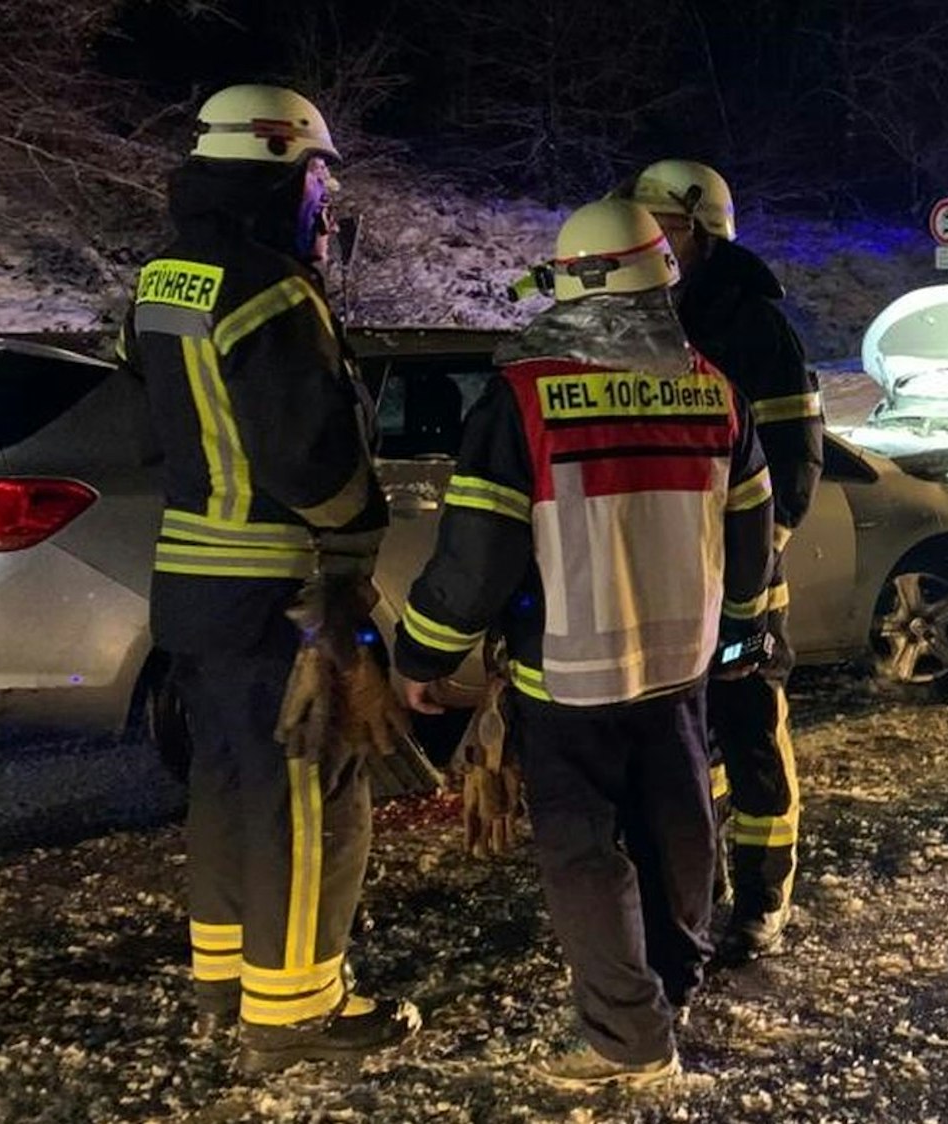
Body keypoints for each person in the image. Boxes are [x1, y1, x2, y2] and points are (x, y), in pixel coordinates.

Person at [392, 198, 774, 1088]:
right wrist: (743, 628)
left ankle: (626, 1038)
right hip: (680, 667)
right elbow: (753, 538)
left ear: (569, 290)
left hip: (566, 672)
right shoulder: (714, 388)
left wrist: (422, 656)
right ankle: (672, 991)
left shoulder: (526, 398)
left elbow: (476, 555)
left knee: (582, 854)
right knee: (680, 825)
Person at [122, 84, 419, 1072]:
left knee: (227, 783)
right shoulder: (272, 289)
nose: (322, 204)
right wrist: (357, 532)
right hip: (275, 590)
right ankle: (294, 1009)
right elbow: (312, 460)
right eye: (316, 179)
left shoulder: (162, 279)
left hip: (193, 586)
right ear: (283, 170)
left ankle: (226, 980)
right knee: (307, 797)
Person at [616, 159, 823, 964]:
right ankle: (701, 888)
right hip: (668, 572)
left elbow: (795, 464)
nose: (649, 241)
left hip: (741, 574)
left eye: (663, 227)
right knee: (685, 736)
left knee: (751, 730)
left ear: (703, 232)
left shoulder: (753, 327)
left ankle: (764, 898)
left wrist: (754, 562)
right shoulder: (641, 315)